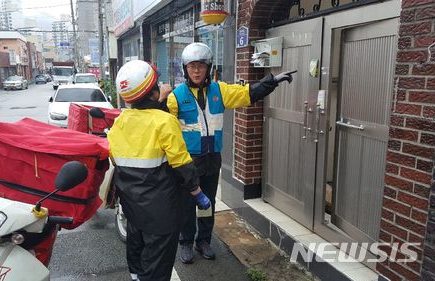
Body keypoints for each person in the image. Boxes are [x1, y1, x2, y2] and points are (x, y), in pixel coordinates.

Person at [166, 42, 295, 264]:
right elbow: (163, 129)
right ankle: (186, 242)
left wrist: (271, 82)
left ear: (209, 68)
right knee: (187, 206)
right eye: (192, 66)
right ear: (185, 69)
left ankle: (203, 240)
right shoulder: (175, 97)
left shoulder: (220, 90)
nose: (196, 71)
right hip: (187, 163)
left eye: (201, 66)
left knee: (207, 204)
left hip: (212, 160)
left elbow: (246, 93)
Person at [107, 60, 211, 281]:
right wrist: (197, 193)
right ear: (153, 92)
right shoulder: (165, 121)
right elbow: (182, 163)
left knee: (136, 249)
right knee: (158, 264)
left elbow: (116, 160)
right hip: (161, 210)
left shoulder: (120, 122)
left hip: (132, 206)